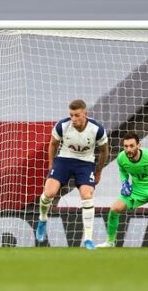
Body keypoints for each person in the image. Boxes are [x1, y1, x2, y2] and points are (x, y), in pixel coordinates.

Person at [36, 99, 109, 249]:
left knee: (87, 196)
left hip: (86, 163)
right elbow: (53, 144)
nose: (73, 119)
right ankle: (42, 219)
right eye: (71, 115)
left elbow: (104, 151)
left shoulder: (97, 129)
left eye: (77, 115)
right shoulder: (62, 126)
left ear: (85, 114)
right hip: (64, 160)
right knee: (48, 193)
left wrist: (99, 171)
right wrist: (51, 164)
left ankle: (88, 238)